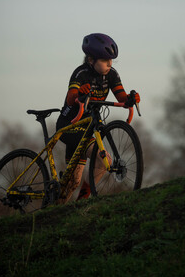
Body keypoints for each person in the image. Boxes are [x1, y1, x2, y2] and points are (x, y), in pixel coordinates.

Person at [56, 33, 140, 203]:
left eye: (111, 60)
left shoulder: (112, 74)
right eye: (104, 60)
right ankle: (68, 208)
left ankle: (72, 205)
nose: (109, 64)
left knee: (75, 180)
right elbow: (70, 99)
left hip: (87, 126)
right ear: (90, 60)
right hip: (69, 125)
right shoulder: (81, 73)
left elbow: (121, 97)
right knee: (93, 169)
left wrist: (131, 99)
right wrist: (80, 92)